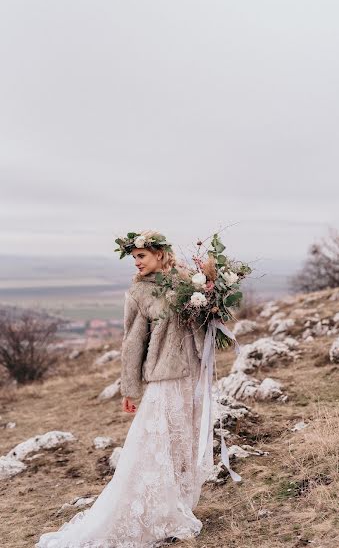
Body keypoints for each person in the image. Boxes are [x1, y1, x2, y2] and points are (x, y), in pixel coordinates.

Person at [35, 229, 214, 548]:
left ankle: (178, 506)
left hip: (192, 374)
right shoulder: (138, 294)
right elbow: (133, 342)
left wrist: (211, 305)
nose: (136, 263)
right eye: (133, 258)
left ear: (160, 254)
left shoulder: (189, 280)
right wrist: (129, 388)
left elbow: (200, 323)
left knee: (184, 440)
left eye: (141, 256)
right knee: (157, 444)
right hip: (164, 376)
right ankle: (155, 513)